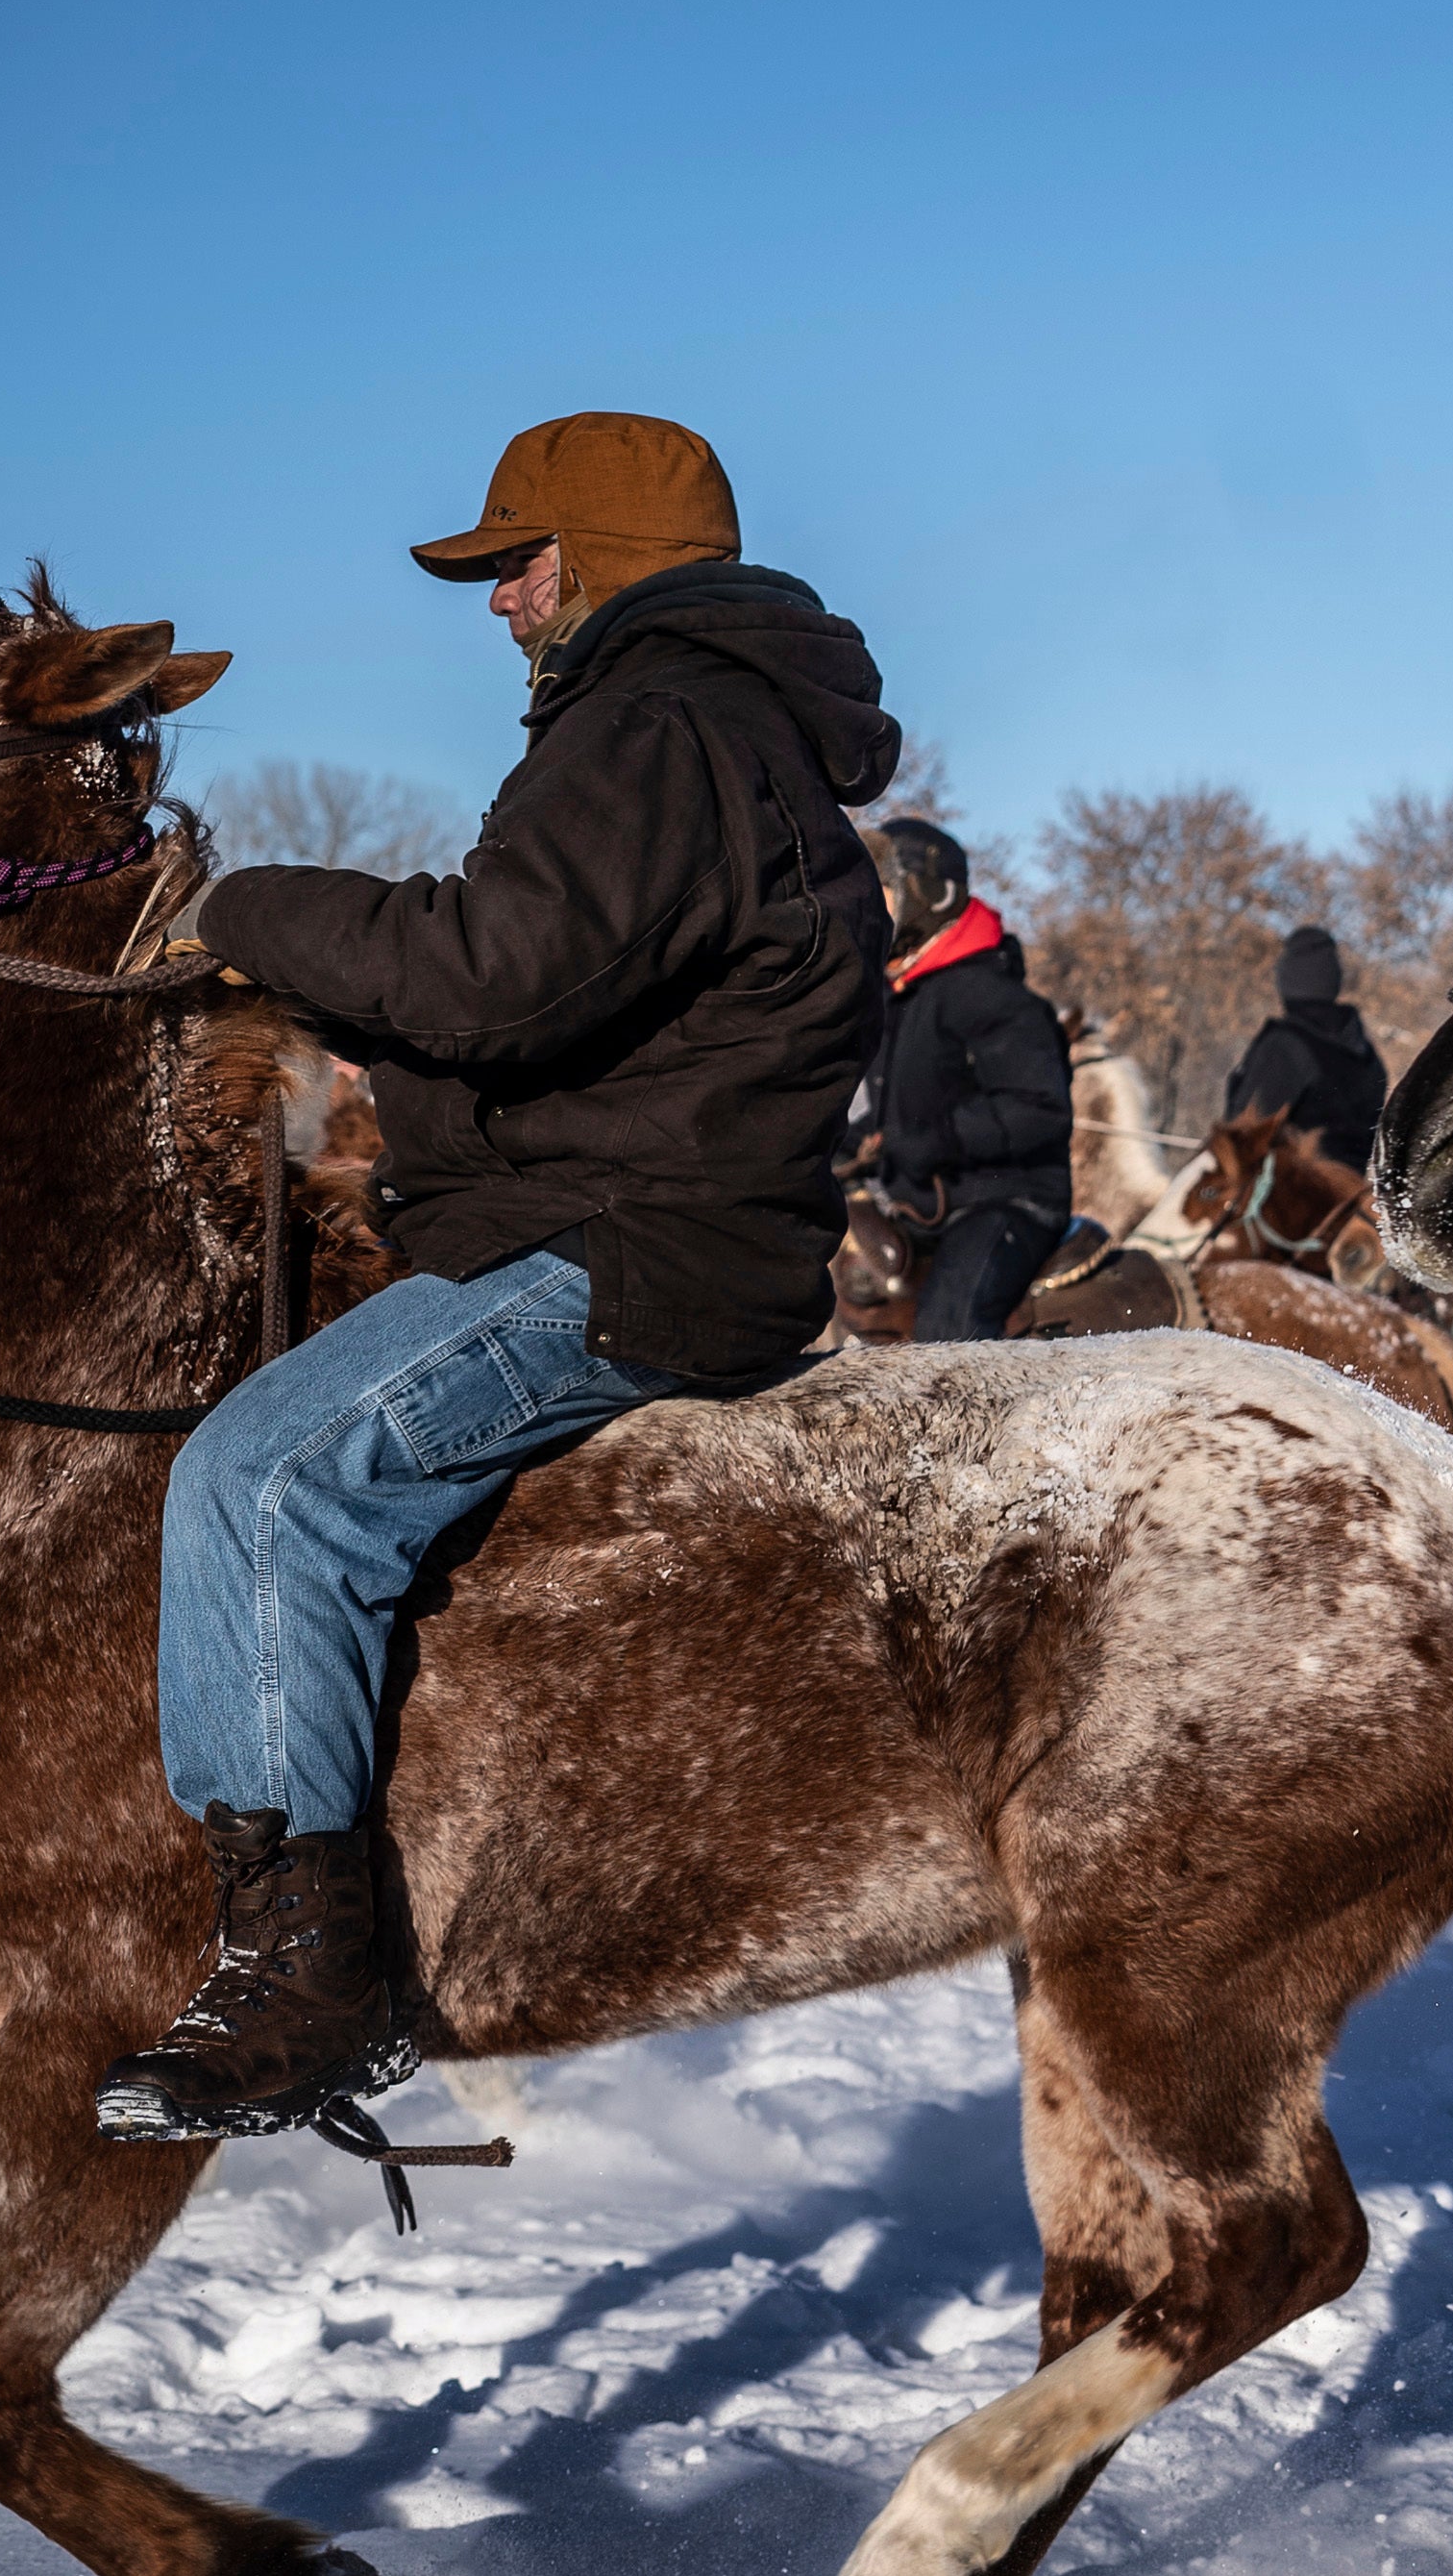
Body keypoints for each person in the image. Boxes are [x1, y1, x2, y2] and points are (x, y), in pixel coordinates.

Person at [103, 412, 896, 2144]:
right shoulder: (698, 727)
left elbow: (494, 976)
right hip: (619, 1212)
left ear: (604, 561)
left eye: (516, 562)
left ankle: (308, 1972)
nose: (498, 601)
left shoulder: (657, 724)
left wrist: (250, 913)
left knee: (266, 1477)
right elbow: (541, 999)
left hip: (633, 1249)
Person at [863, 816, 1074, 1339]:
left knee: (946, 1334)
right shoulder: (899, 991)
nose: (867, 905)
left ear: (925, 895)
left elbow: (1041, 1108)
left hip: (1007, 1201)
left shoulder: (991, 994)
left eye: (881, 891)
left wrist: (932, 1140)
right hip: (921, 1199)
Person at [1225, 924, 1390, 1169]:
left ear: (1288, 976)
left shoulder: (1285, 1046)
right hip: (1347, 1194)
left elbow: (1245, 1134)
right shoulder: (1366, 1055)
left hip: (1284, 1195)